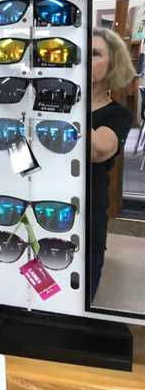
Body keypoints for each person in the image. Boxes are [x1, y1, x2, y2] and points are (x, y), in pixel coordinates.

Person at [90, 27, 136, 298]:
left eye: (95, 54)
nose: (84, 59)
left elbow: (98, 150)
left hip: (88, 218)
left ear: (113, 66)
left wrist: (65, 104)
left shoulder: (118, 115)